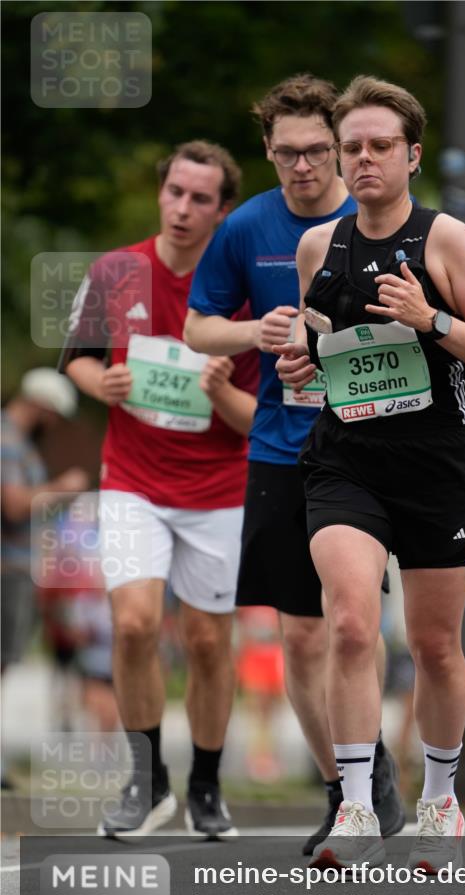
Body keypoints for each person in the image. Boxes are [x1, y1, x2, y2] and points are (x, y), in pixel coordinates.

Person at [276, 76, 465, 871]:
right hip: (344, 463)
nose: (365, 158)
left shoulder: (445, 239)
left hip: (434, 469)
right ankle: (353, 806)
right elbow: (316, 360)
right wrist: (299, 367)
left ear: (412, 155)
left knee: (433, 646)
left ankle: (439, 800)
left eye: (381, 145)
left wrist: (431, 320)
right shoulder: (321, 246)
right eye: (353, 147)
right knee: (348, 621)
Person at [184, 74, 405, 855]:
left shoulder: (379, 216)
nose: (303, 167)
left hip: (370, 446)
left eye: (318, 151)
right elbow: (196, 326)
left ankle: (371, 774)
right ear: (269, 154)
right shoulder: (246, 228)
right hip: (281, 448)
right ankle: (346, 787)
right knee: (302, 638)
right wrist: (253, 335)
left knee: (355, 624)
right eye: (287, 155)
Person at [62, 140, 259, 839]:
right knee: (137, 622)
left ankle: (205, 784)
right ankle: (147, 782)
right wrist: (102, 383)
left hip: (218, 490)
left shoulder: (240, 290)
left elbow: (255, 421)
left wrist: (221, 392)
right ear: (161, 192)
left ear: (222, 210)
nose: (182, 208)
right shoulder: (118, 270)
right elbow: (78, 361)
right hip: (133, 483)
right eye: (174, 191)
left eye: (199, 198)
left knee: (207, 643)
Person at [1, 368, 88, 787]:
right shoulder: (7, 441)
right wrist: (62, 488)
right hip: (6, 569)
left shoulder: (20, 445)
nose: (53, 424)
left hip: (17, 568)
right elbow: (15, 506)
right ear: (40, 405)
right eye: (52, 414)